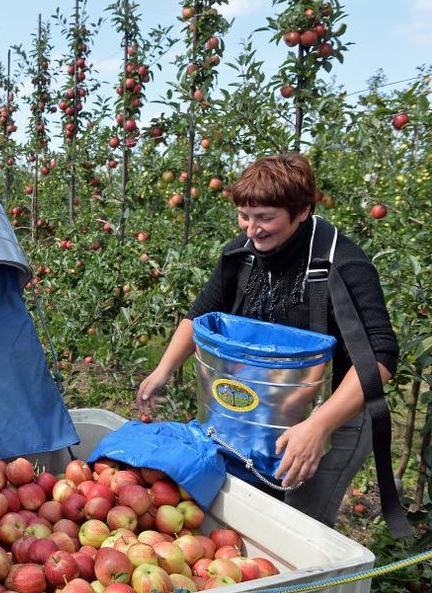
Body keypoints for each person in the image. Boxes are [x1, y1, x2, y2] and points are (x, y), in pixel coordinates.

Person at [135, 153, 398, 527]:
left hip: (332, 418)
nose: (252, 229)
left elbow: (380, 355)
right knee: (245, 516)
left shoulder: (341, 265)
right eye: (245, 216)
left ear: (302, 210)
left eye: (265, 218)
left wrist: (318, 425)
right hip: (257, 410)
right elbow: (200, 314)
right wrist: (163, 370)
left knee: (295, 527)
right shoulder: (240, 255)